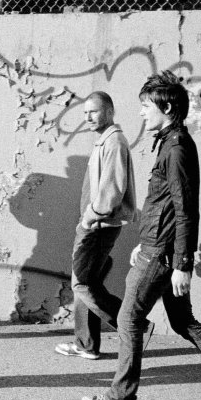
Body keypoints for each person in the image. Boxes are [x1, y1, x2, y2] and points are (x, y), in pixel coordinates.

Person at [82, 71, 201, 400]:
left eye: (146, 106)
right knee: (184, 322)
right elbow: (163, 204)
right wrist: (145, 241)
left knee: (129, 318)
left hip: (162, 255)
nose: (141, 112)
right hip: (158, 248)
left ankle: (122, 396)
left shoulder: (176, 148)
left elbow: (185, 209)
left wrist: (182, 264)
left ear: (166, 108)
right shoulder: (169, 142)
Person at [55, 92, 150, 361]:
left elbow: (112, 190)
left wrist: (89, 218)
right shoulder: (105, 141)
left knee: (81, 284)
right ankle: (87, 345)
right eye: (85, 113)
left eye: (93, 112)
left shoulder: (114, 142)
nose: (88, 117)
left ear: (109, 112)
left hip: (98, 225)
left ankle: (137, 325)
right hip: (96, 223)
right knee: (89, 283)